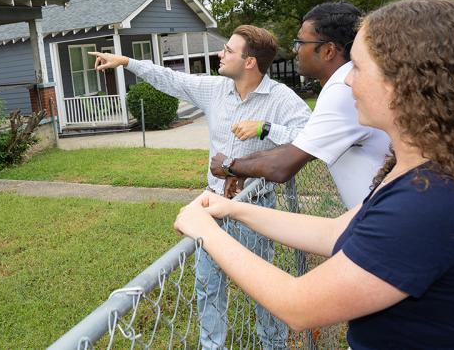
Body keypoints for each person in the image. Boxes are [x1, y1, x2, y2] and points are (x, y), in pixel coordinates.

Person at [174, 0, 454, 349]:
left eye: (356, 67)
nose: (344, 82)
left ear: (404, 82)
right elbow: (336, 231)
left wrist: (205, 231)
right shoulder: (424, 175)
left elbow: (299, 305)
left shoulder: (429, 204)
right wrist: (232, 209)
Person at [90, 25, 311, 349]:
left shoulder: (279, 98)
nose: (221, 55)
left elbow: (309, 134)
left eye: (229, 51)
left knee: (264, 287)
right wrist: (126, 62)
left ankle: (273, 344)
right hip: (212, 202)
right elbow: (172, 79)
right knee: (208, 285)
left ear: (250, 62)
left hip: (256, 206)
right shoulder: (214, 89)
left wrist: (265, 128)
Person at [211, 2, 390, 209]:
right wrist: (241, 168)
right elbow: (301, 147)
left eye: (300, 42)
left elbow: (283, 166)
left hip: (385, 217)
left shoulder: (342, 89)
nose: (295, 50)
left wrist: (230, 166)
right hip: (378, 212)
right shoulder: (345, 82)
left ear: (328, 51)